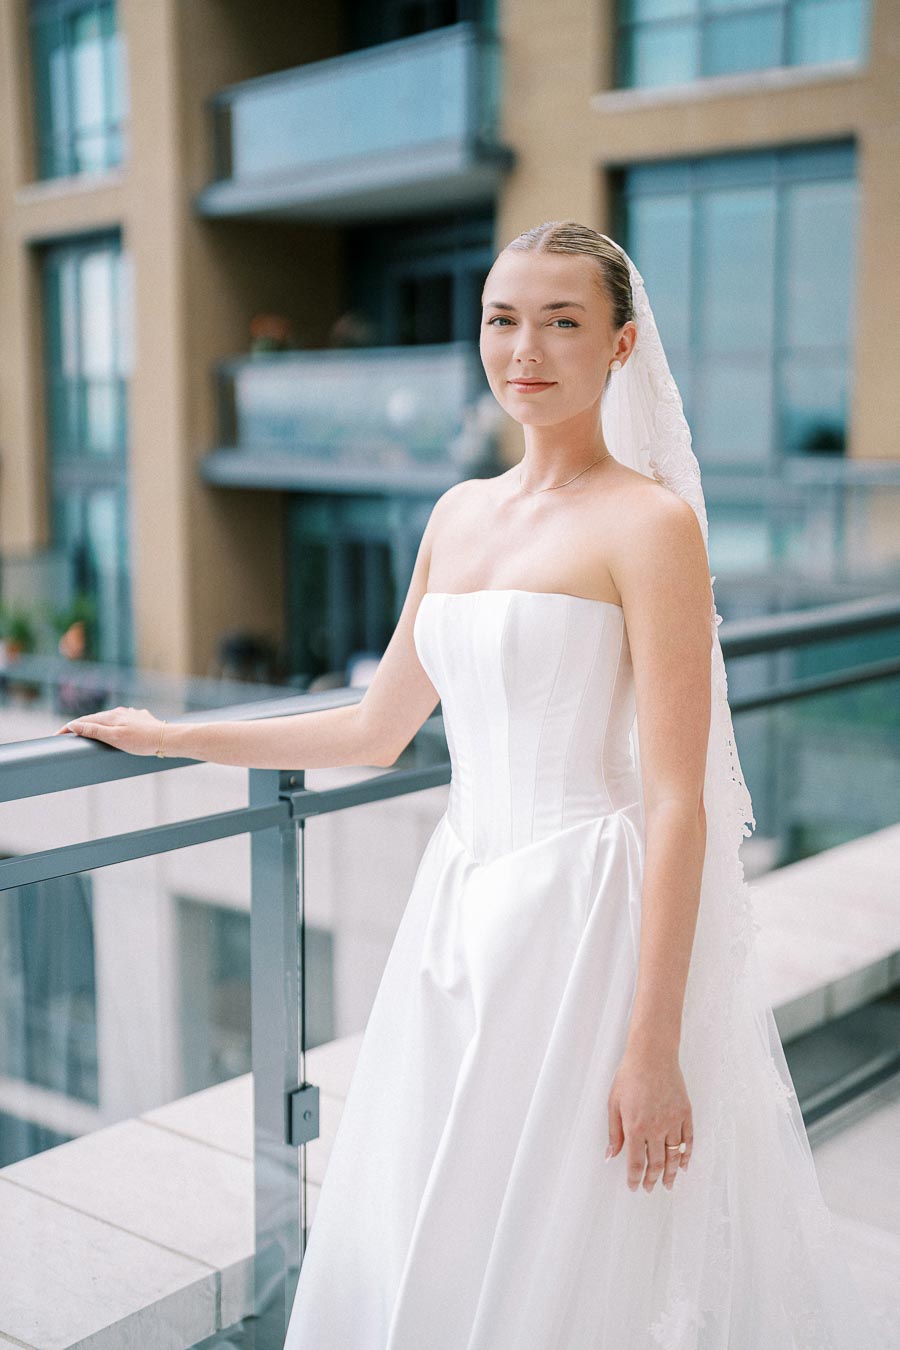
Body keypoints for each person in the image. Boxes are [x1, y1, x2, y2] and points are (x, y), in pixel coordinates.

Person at [56, 222, 878, 1348]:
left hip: (584, 924)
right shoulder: (457, 513)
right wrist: (175, 737)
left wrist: (655, 1049)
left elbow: (679, 800)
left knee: (555, 1246)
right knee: (428, 1211)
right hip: (455, 910)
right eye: (502, 318)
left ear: (622, 345)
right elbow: (376, 727)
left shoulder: (652, 525)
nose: (524, 347)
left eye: (562, 321)